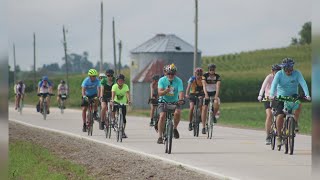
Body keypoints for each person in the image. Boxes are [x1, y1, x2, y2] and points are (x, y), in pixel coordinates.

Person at [269, 58, 311, 146]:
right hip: (281, 97)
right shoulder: (279, 74)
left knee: (298, 105)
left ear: (292, 68)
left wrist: (307, 94)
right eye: (287, 70)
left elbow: (303, 83)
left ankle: (294, 122)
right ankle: (279, 136)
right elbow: (274, 85)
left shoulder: (297, 73)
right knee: (280, 116)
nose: (289, 71)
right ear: (283, 69)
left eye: (290, 69)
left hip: (293, 96)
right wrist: (272, 94)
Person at [157, 63, 184, 144]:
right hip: (163, 101)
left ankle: (175, 128)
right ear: (165, 73)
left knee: (178, 113)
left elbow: (181, 92)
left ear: (175, 73)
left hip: (175, 101)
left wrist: (181, 99)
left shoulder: (178, 80)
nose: (170, 75)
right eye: (168, 73)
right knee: (162, 116)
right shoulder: (162, 80)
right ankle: (160, 136)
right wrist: (165, 91)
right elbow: (160, 93)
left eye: (172, 73)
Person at [257, 64, 281, 145]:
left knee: (280, 115)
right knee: (269, 114)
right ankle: (268, 136)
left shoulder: (282, 77)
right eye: (275, 71)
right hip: (268, 97)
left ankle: (280, 133)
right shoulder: (269, 77)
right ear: (272, 71)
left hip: (278, 98)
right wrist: (260, 95)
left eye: (278, 71)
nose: (277, 73)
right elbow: (263, 87)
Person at [201, 64, 221, 134]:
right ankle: (203, 127)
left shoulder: (217, 76)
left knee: (217, 103)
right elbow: (203, 86)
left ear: (215, 70)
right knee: (204, 108)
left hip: (214, 92)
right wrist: (206, 94)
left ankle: (213, 115)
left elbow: (218, 87)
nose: (212, 71)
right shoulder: (205, 76)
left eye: (213, 70)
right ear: (208, 70)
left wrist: (216, 96)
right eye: (210, 70)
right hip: (206, 92)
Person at [110, 74, 131, 138]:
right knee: (113, 108)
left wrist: (129, 100)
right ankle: (113, 120)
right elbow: (113, 94)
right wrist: (113, 100)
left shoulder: (126, 86)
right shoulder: (114, 86)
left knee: (124, 118)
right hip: (116, 101)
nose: (120, 82)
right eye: (119, 80)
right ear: (117, 81)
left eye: (121, 81)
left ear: (123, 81)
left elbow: (127, 94)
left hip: (123, 103)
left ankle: (123, 131)